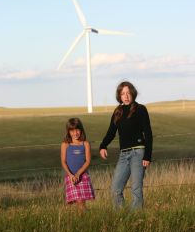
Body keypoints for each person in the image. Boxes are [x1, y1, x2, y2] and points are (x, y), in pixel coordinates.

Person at [99, 81, 153, 210]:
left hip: (138, 153)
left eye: (128, 93)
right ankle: (121, 217)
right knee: (115, 189)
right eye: (123, 93)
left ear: (133, 93)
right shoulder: (118, 111)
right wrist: (103, 146)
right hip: (123, 155)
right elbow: (111, 132)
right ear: (119, 96)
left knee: (136, 189)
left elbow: (148, 134)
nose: (126, 96)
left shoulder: (140, 109)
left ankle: (136, 219)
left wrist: (147, 156)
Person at [61, 117, 95, 212]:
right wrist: (71, 175)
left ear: (81, 130)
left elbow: (87, 161)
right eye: (72, 131)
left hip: (82, 176)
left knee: (81, 202)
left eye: (77, 130)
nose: (75, 133)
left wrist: (78, 174)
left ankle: (85, 219)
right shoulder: (65, 144)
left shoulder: (85, 144)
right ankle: (85, 219)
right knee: (77, 202)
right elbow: (63, 161)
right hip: (70, 177)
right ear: (68, 131)